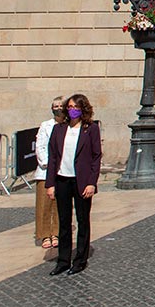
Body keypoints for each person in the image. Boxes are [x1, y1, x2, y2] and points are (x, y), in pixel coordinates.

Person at [45, 94, 101, 276]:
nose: (72, 110)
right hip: (62, 179)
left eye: (76, 107)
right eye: (69, 107)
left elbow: (96, 157)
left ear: (83, 109)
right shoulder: (59, 129)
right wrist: (50, 184)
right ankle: (63, 260)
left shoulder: (90, 129)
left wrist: (92, 183)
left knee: (82, 220)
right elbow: (53, 157)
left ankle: (80, 260)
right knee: (64, 221)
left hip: (81, 181)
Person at [35, 96, 63, 250]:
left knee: (59, 204)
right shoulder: (45, 125)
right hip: (45, 170)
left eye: (60, 105)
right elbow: (40, 146)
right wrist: (48, 164)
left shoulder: (68, 125)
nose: (58, 108)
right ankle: (45, 234)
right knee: (44, 204)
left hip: (62, 170)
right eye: (55, 106)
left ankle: (56, 233)